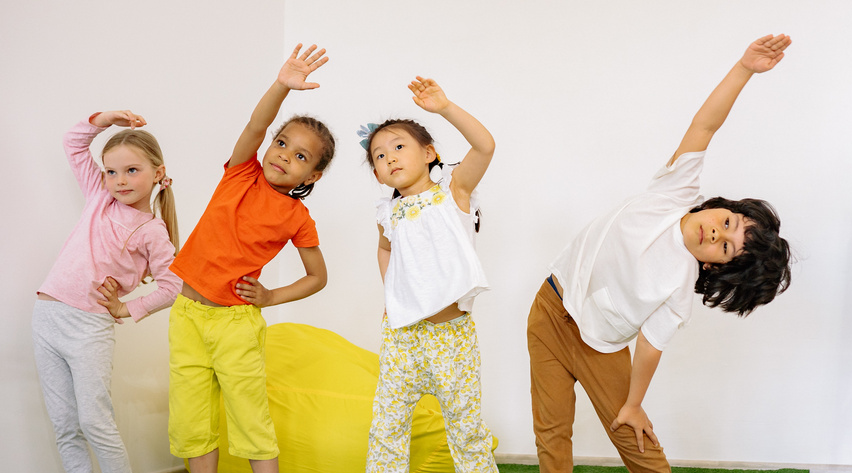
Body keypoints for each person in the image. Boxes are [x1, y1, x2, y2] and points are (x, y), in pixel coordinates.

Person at [527, 34, 793, 472]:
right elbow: (705, 126)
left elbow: (650, 349)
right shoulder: (675, 192)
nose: (717, 233)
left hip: (599, 347)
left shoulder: (678, 288)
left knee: (635, 440)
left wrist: (633, 405)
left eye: (726, 248)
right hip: (549, 309)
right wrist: (744, 68)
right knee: (551, 433)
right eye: (728, 223)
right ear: (723, 208)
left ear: (714, 265)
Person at [166, 44, 334, 473]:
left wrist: (271, 296)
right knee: (192, 419)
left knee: (249, 417)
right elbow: (255, 126)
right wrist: (281, 85)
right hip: (186, 315)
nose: (284, 155)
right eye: (282, 143)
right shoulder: (241, 172)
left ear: (312, 175)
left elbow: (317, 277)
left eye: (300, 156)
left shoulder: (297, 217)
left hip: (235, 325)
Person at [361, 76, 498, 472]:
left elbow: (485, 146)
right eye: (379, 156)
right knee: (387, 428)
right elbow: (385, 250)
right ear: (377, 174)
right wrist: (392, 295)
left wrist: (445, 108)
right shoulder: (387, 213)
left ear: (428, 153)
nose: (390, 158)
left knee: (466, 429)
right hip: (402, 338)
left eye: (398, 147)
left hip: (450, 337)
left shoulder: (453, 192)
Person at [33, 110, 181, 473]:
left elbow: (173, 285)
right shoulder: (99, 197)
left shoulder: (151, 231)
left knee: (95, 422)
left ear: (158, 173)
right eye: (112, 172)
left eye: (132, 170)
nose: (120, 180)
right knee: (65, 425)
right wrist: (105, 119)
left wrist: (125, 309)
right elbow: (73, 143)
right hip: (46, 317)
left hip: (88, 328)